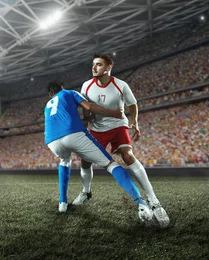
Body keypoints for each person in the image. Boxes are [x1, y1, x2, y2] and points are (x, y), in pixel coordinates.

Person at [74, 54, 169, 227]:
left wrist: (134, 122)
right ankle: (86, 192)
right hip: (97, 128)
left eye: (99, 64)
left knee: (127, 155)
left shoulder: (120, 85)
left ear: (109, 67)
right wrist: (86, 122)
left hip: (118, 125)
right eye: (93, 64)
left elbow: (132, 105)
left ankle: (154, 201)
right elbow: (86, 108)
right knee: (85, 161)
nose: (94, 68)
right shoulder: (86, 86)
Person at [44, 81, 153, 222]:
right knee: (110, 164)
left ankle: (63, 203)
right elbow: (88, 106)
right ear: (62, 88)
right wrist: (112, 113)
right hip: (73, 134)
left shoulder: (47, 105)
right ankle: (141, 202)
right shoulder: (69, 93)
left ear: (50, 95)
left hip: (51, 140)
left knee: (64, 161)